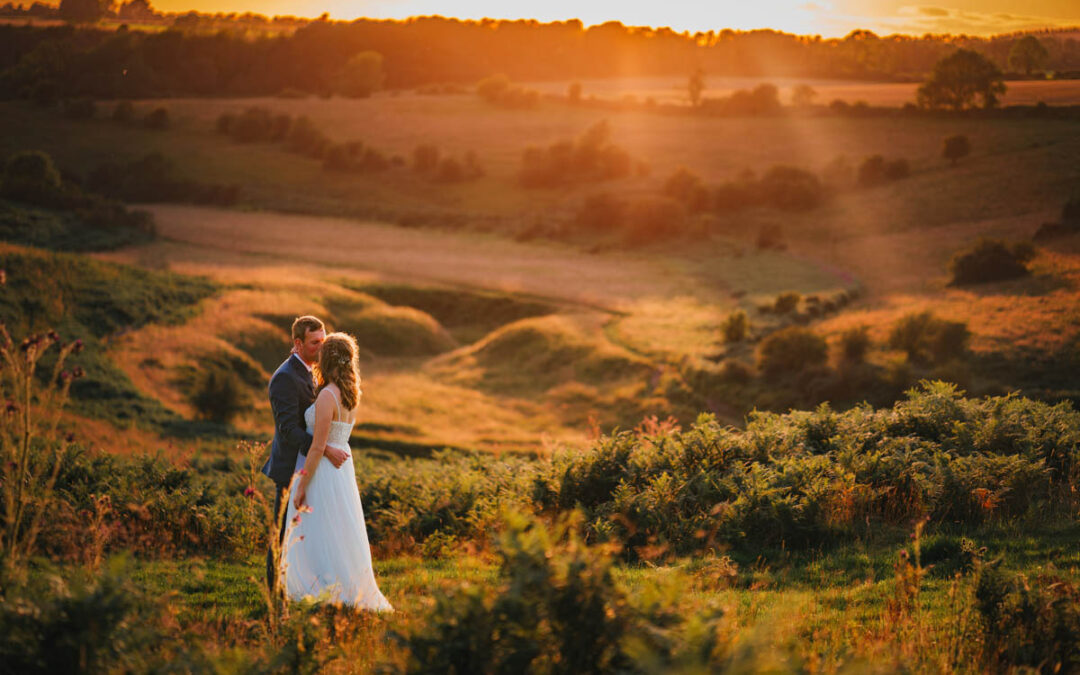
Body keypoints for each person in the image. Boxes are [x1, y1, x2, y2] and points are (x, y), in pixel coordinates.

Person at [280, 331, 393, 610]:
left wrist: (302, 485)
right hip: (341, 469)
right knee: (337, 527)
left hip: (323, 470)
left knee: (319, 527)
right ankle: (340, 585)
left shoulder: (327, 396)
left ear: (326, 359)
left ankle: (323, 587)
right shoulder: (351, 394)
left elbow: (317, 447)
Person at [261, 316, 349, 596]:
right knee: (282, 533)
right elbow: (288, 430)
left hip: (311, 467)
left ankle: (304, 586)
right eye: (315, 343)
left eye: (324, 341)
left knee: (308, 534)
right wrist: (324, 448)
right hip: (290, 467)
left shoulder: (312, 371)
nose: (321, 348)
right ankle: (274, 592)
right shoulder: (285, 378)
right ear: (297, 343)